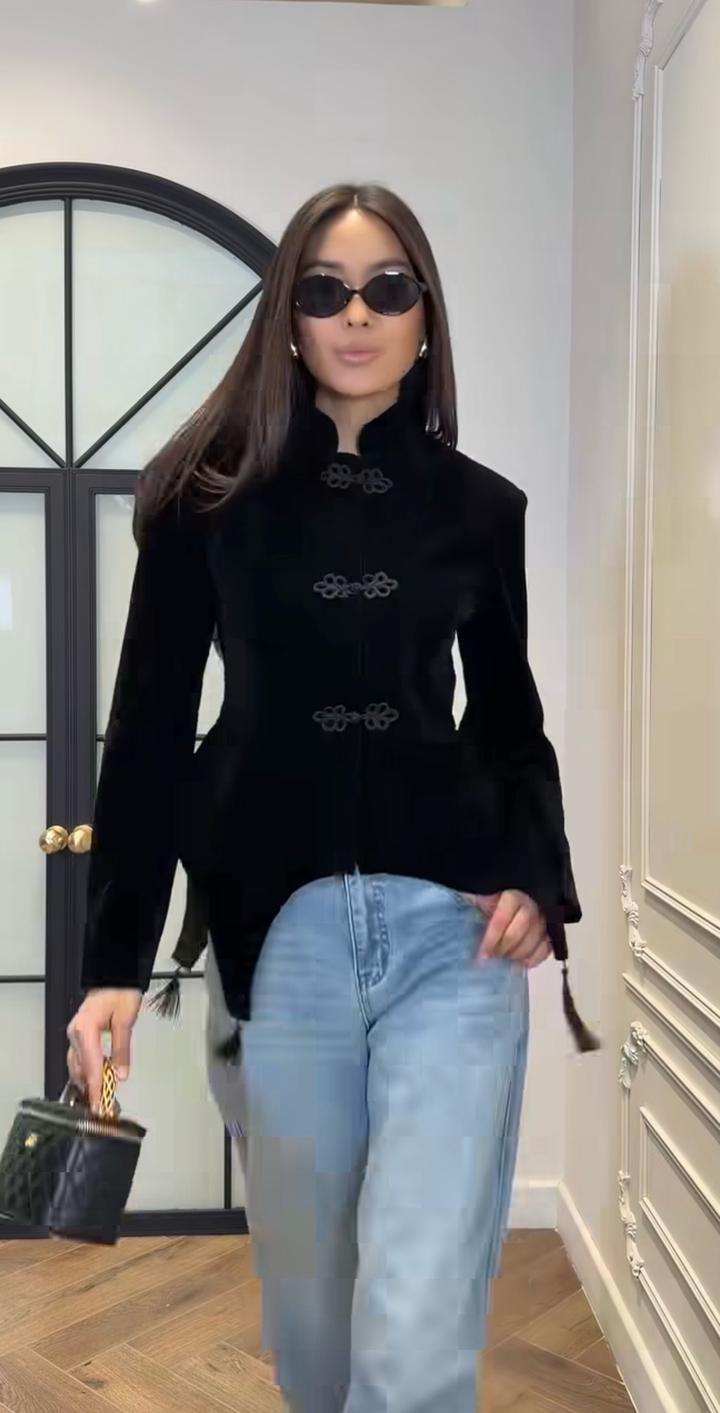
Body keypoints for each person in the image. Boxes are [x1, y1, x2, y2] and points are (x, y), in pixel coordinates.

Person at [66, 182, 598, 1413]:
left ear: (424, 316)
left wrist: (535, 876)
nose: (357, 315)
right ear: (289, 319)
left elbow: (508, 721)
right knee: (314, 1332)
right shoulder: (203, 501)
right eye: (325, 291)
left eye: (386, 289)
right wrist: (111, 963)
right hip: (279, 941)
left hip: (454, 939)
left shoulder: (484, 510)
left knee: (414, 1330)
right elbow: (147, 735)